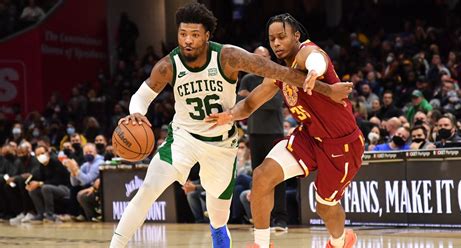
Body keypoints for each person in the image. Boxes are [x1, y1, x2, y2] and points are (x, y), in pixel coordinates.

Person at [109, 3, 351, 248]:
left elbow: (290, 68)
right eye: (183, 34)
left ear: (206, 36)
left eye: (194, 35)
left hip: (222, 144)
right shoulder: (168, 65)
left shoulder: (229, 56)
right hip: (184, 139)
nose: (187, 41)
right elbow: (141, 95)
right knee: (149, 188)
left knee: (218, 215)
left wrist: (326, 87)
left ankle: (221, 233)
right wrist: (136, 113)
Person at [206, 13, 359, 248]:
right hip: (309, 137)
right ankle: (262, 244)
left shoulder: (307, 52)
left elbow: (316, 59)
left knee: (323, 206)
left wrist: (314, 73)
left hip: (342, 143)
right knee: (261, 175)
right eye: (272, 39)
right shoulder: (278, 74)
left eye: (281, 37)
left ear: (296, 36)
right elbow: (249, 104)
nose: (276, 43)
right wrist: (229, 116)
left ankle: (341, 242)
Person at [237, 46, 288, 230]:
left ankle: (280, 218)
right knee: (257, 179)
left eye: (264, 56)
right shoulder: (247, 79)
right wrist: (252, 100)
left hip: (274, 132)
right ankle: (260, 221)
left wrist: (249, 100)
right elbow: (239, 103)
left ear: (269, 58)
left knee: (278, 177)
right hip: (255, 133)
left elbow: (275, 103)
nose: (260, 60)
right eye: (257, 57)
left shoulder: (276, 75)